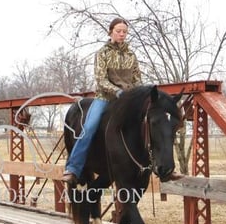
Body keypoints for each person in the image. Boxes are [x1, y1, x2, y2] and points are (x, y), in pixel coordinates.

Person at [61, 17, 182, 185]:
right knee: (89, 127)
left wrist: (140, 95)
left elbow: (137, 79)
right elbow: (101, 79)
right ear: (110, 32)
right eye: (118, 31)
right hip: (105, 98)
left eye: (124, 32)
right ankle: (73, 168)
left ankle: (164, 167)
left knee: (152, 126)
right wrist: (117, 91)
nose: (122, 34)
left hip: (129, 99)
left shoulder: (131, 55)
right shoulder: (102, 53)